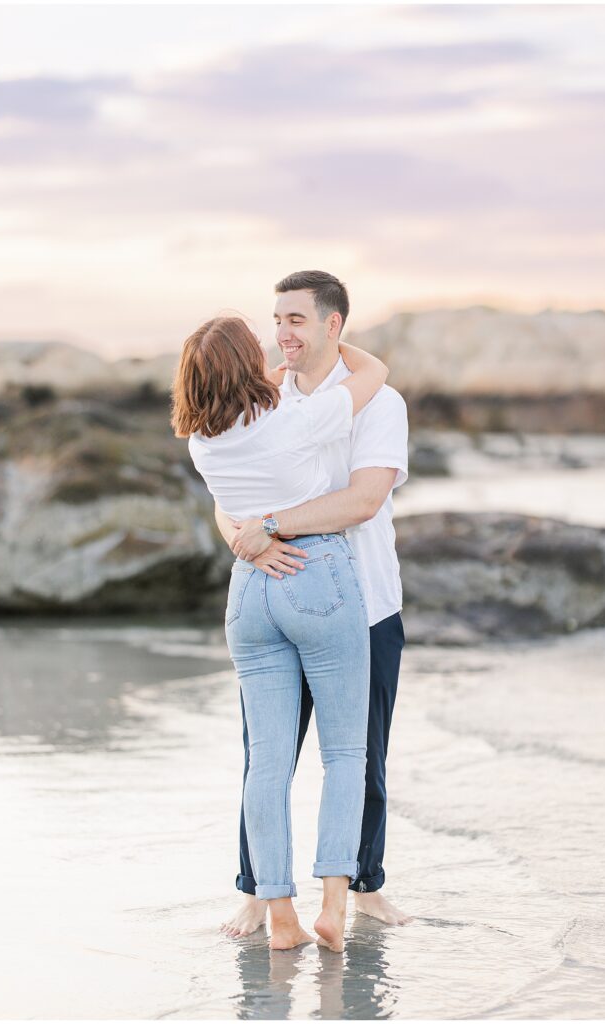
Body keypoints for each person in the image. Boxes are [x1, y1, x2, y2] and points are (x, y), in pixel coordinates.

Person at [171, 314, 389, 952]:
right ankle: (333, 906)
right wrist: (324, 335)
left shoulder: (203, 444)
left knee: (265, 763)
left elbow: (239, 404)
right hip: (317, 571)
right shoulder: (297, 419)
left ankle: (279, 916)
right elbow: (374, 374)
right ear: (250, 363)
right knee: (344, 755)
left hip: (251, 586)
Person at [215, 271, 411, 940]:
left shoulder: (378, 402)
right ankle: (255, 891)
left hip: (365, 602)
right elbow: (225, 502)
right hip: (274, 586)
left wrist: (271, 524)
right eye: (276, 319)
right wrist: (250, 543)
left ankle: (364, 885)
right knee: (264, 754)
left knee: (362, 754)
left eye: (296, 319)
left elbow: (362, 500)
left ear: (332, 325)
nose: (281, 333)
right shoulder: (261, 396)